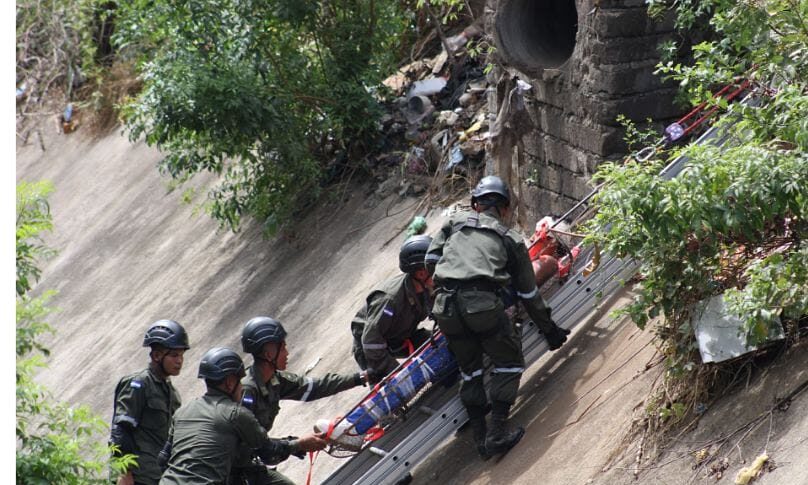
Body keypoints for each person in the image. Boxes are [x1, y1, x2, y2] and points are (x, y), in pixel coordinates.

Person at [426, 175, 570, 460]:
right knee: (508, 363)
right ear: (504, 209)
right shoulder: (510, 239)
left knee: (471, 371)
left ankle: (480, 440)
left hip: (445, 307)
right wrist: (550, 330)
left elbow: (431, 261)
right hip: (481, 305)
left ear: (475, 204)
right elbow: (528, 294)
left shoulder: (453, 223)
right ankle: (497, 434)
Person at [159, 347, 326, 485]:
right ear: (230, 383)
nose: (242, 387)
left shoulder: (183, 412)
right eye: (239, 381)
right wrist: (299, 444)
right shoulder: (236, 414)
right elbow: (269, 452)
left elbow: (163, 458)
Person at [233, 316, 366, 484]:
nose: (287, 353)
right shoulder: (247, 393)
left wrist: (359, 378)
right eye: (283, 348)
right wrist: (297, 444)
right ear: (269, 354)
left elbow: (313, 387)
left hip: (248, 465)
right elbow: (254, 447)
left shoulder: (274, 380)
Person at [110, 320, 190, 485]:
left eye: (182, 355)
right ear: (157, 356)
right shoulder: (138, 384)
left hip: (160, 477)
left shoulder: (171, 393)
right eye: (174, 355)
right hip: (138, 477)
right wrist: (124, 473)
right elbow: (121, 431)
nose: (180, 361)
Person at [350, 234, 434, 383]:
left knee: (438, 344)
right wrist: (397, 372)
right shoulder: (390, 300)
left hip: (399, 336)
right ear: (421, 273)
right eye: (434, 267)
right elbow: (370, 342)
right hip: (371, 348)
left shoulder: (427, 287)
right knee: (396, 387)